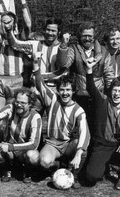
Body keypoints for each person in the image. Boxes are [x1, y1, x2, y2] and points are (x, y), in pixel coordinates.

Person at [33, 58, 90, 188]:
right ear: (58, 90)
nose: (65, 93)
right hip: (52, 143)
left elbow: (85, 134)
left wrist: (79, 153)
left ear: (73, 91)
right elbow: (40, 84)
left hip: (67, 143)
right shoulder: (52, 99)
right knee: (44, 162)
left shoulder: (78, 110)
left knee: (81, 146)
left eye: (68, 90)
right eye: (62, 89)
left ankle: (73, 174)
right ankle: (57, 165)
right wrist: (36, 66)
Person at [83, 62, 120, 190]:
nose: (117, 94)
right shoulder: (103, 101)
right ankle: (105, 167)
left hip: (119, 147)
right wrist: (89, 71)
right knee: (91, 177)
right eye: (115, 90)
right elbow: (91, 88)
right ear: (110, 91)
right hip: (102, 146)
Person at [59, 22, 114, 124]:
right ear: (80, 36)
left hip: (98, 96)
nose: (87, 39)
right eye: (84, 36)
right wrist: (63, 46)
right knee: (79, 126)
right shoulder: (73, 49)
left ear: (94, 37)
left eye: (90, 36)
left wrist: (110, 95)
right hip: (79, 96)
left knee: (96, 128)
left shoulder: (103, 51)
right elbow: (64, 64)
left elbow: (109, 75)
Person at [0, 88, 42, 183]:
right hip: (9, 148)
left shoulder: (35, 117)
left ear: (30, 104)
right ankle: (6, 170)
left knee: (33, 156)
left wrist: (11, 147)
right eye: (17, 102)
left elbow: (34, 144)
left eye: (23, 103)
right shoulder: (10, 108)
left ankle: (27, 172)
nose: (19, 105)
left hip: (23, 150)